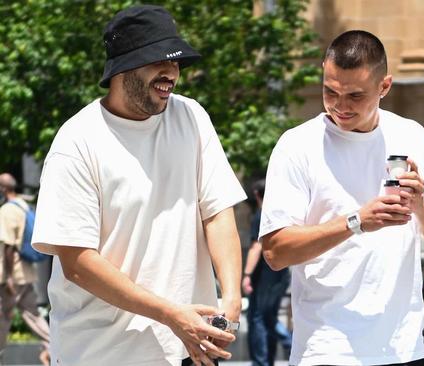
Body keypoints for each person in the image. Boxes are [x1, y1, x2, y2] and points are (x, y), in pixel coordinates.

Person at [30, 5, 246, 366]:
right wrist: (171, 316)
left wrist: (233, 297)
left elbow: (218, 212)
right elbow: (78, 263)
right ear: (122, 69)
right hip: (103, 354)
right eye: (160, 61)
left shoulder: (191, 117)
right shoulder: (78, 142)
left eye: (176, 63)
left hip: (189, 348)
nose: (172, 73)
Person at [259, 30, 424, 365]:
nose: (340, 105)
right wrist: (357, 222)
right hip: (328, 350)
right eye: (330, 91)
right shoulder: (297, 146)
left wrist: (421, 207)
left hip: (404, 348)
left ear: (385, 87)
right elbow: (276, 252)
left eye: (355, 95)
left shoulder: (411, 135)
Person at [0, 173, 50, 365]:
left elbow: (9, 247)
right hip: (27, 273)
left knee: (3, 316)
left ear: (3, 189)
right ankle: (54, 346)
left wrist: (9, 278)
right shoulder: (23, 205)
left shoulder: (6, 211)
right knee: (34, 316)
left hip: (11, 277)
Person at [242, 179, 291, 366]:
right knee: (268, 316)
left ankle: (267, 358)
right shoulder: (279, 215)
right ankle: (269, 359)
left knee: (259, 318)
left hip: (263, 277)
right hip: (280, 274)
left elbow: (256, 247)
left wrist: (246, 275)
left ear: (256, 194)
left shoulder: (261, 215)